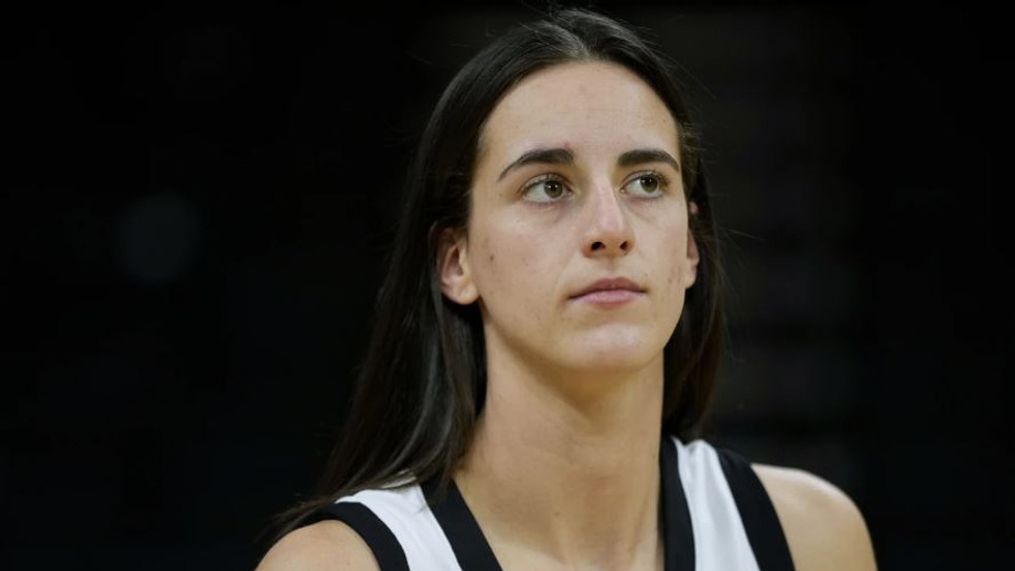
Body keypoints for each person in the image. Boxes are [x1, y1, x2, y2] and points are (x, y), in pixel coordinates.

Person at [256, 6, 877, 571]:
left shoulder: (810, 540)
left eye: (646, 183)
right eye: (548, 186)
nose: (611, 228)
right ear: (456, 261)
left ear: (690, 248)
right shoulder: (339, 564)